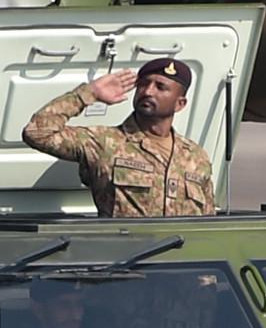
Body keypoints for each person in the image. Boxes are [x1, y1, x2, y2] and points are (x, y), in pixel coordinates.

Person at [21, 57, 218, 217]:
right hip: (125, 260)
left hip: (179, 263)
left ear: (180, 104)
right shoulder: (105, 142)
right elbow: (37, 133)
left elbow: (208, 220)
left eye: (160, 87)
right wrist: (88, 93)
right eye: (143, 84)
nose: (148, 91)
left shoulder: (196, 157)